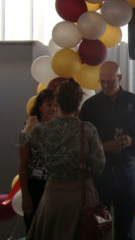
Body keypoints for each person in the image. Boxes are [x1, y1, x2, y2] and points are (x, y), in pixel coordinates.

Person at [19, 79, 106, 240]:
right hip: (81, 196)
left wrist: (29, 126)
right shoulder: (87, 130)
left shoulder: (43, 129)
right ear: (78, 103)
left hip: (53, 196)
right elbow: (99, 166)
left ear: (58, 101)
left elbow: (24, 142)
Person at [80, 61, 135, 240]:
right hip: (100, 174)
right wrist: (103, 147)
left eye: (110, 82)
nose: (105, 86)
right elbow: (81, 143)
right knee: (98, 227)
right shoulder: (90, 106)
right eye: (102, 81)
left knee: (125, 227)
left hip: (126, 173)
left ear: (119, 78)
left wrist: (132, 140)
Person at [18, 88, 57, 232]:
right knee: (34, 229)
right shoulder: (28, 128)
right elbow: (22, 164)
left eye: (56, 105)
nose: (53, 108)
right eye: (49, 105)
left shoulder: (61, 128)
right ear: (40, 106)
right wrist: (26, 197)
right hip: (35, 186)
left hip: (56, 186)